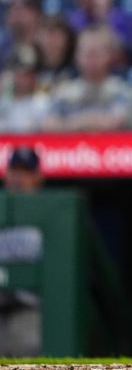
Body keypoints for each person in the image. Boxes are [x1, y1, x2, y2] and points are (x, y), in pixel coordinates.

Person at [0, 146, 44, 356]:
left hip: (28, 312)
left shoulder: (49, 217)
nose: (19, 178)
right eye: (14, 171)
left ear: (37, 178)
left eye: (25, 172)